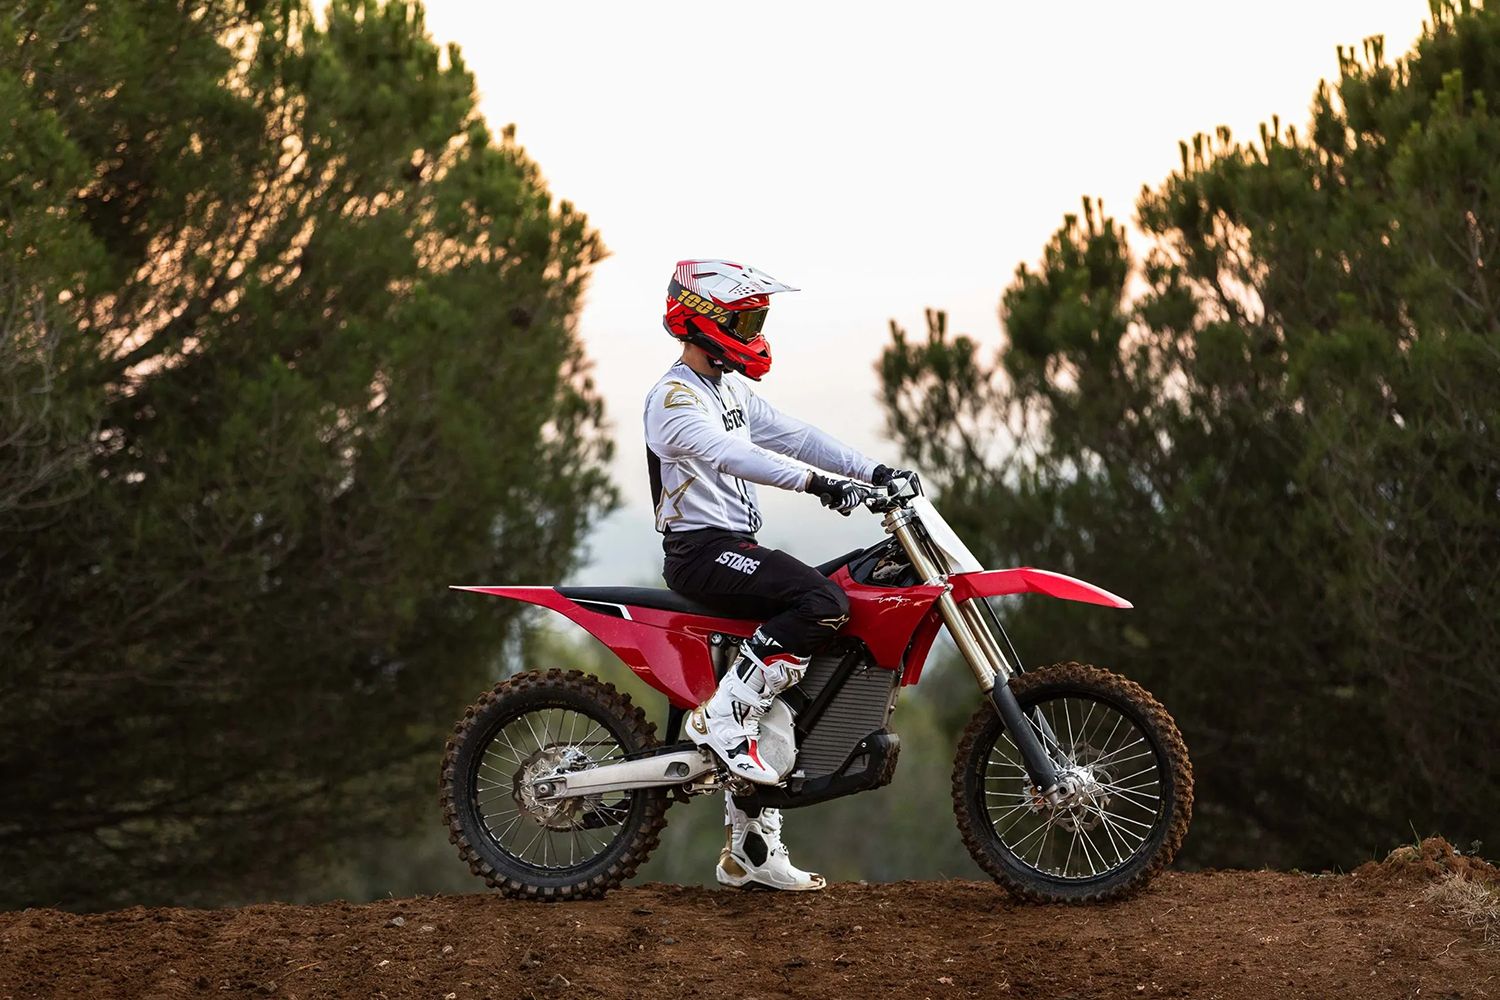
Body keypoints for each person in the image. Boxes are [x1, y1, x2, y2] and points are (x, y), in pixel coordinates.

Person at [643, 259, 915, 891]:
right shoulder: (674, 398)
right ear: (703, 321)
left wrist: (874, 472)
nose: (755, 331)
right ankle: (722, 717)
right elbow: (733, 455)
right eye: (745, 320)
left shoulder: (729, 391)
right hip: (700, 553)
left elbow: (795, 435)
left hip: (734, 546)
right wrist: (819, 485)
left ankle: (751, 849)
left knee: (832, 606)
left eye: (756, 320)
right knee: (823, 603)